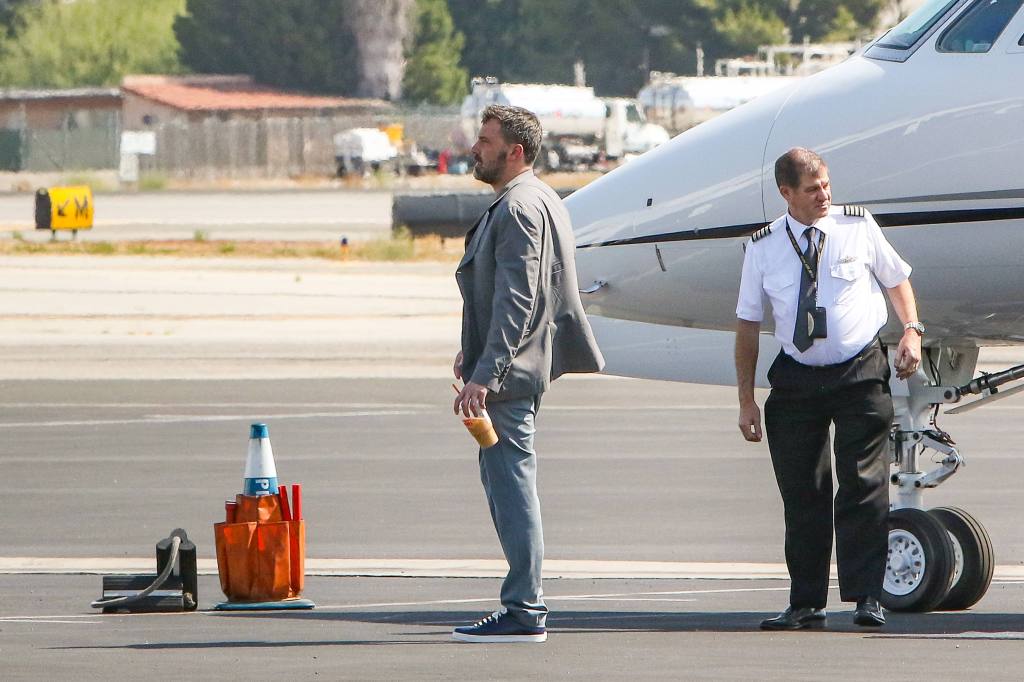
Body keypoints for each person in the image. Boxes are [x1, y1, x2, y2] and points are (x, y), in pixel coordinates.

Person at [734, 148, 923, 631]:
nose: (825, 195)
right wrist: (745, 400)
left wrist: (911, 330)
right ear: (786, 193)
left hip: (859, 370)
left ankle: (865, 597)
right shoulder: (763, 247)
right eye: (813, 189)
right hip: (797, 376)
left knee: (863, 485)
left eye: (827, 185)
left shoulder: (857, 228)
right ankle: (805, 601)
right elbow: (748, 325)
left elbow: (896, 279)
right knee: (803, 491)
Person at [451, 105, 604, 643]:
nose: (476, 148)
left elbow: (519, 300)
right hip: (510, 369)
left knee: (512, 488)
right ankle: (524, 606)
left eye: (486, 140)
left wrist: (486, 373)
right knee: (508, 483)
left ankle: (525, 610)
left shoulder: (519, 208)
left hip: (511, 377)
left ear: (514, 151)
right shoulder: (538, 198)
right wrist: (470, 355)